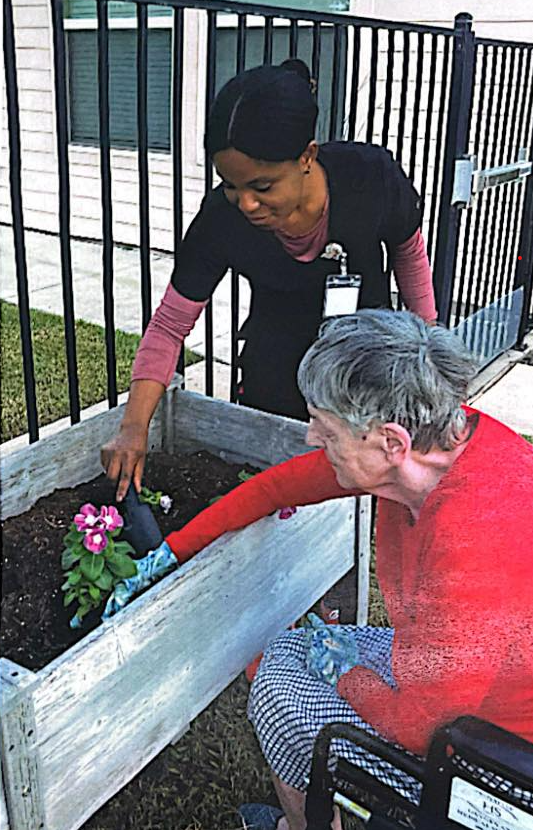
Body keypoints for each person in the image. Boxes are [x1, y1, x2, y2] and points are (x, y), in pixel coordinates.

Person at [133, 309, 533, 830]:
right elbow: (280, 487)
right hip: (482, 690)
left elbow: (423, 725)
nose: (310, 434)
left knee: (278, 685)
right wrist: (171, 552)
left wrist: (346, 676)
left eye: (325, 426)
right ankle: (317, 823)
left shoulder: (477, 540)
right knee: (293, 649)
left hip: (517, 771)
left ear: (390, 441)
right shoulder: (439, 447)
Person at [101, 59, 437, 505]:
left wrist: (428, 353)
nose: (247, 204)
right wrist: (133, 428)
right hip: (274, 374)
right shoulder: (221, 221)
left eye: (262, 185)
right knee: (281, 502)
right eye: (231, 186)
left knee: (356, 501)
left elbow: (409, 254)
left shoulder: (368, 177)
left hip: (366, 373)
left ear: (307, 157)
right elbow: (169, 326)